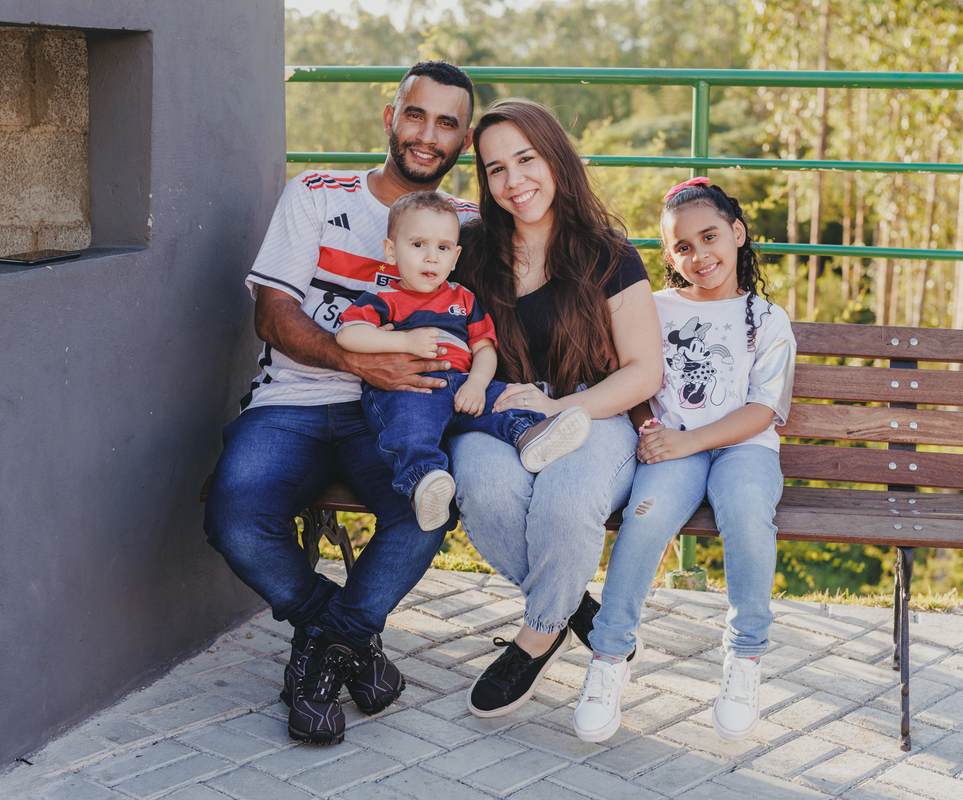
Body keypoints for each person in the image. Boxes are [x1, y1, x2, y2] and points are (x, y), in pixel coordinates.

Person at [203, 61, 479, 746]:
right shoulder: (317, 194)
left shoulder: (467, 225)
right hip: (291, 400)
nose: (428, 134)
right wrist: (357, 359)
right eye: (416, 114)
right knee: (235, 516)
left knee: (424, 511)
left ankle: (324, 651)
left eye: (447, 123)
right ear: (391, 117)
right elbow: (273, 315)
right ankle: (345, 638)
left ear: (464, 141)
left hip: (394, 413)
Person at [449, 99, 664, 718]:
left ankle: (536, 636)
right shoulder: (469, 250)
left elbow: (643, 370)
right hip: (498, 416)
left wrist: (561, 406)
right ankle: (572, 609)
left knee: (567, 500)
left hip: (593, 411)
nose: (513, 180)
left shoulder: (608, 254)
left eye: (526, 159)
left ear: (556, 158)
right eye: (495, 169)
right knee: (484, 489)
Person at [571, 177, 796, 744]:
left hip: (743, 448)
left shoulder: (766, 318)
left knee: (748, 513)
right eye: (683, 247)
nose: (700, 255)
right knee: (644, 517)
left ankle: (745, 657)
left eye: (710, 237)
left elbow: (763, 411)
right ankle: (609, 656)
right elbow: (630, 375)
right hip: (671, 448)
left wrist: (686, 441)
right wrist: (646, 425)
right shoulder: (655, 308)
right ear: (669, 256)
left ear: (737, 233)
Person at [336, 191, 592, 531]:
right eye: (418, 245)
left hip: (463, 386)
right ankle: (425, 481)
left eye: (443, 248)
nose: (431, 258)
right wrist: (404, 341)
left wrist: (477, 383)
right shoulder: (383, 298)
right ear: (391, 250)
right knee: (408, 428)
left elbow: (484, 349)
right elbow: (348, 335)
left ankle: (530, 435)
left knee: (504, 397)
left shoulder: (464, 298)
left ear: (455, 257)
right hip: (410, 388)